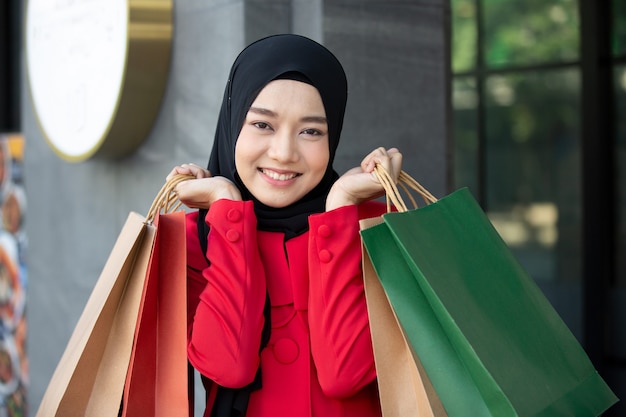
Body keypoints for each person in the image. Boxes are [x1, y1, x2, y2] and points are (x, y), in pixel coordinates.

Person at [168, 34, 402, 417]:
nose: (283, 153)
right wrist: (226, 208)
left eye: (311, 131)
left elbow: (344, 375)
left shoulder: (374, 229)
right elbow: (227, 367)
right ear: (233, 123)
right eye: (262, 124)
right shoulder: (197, 239)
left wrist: (340, 205)